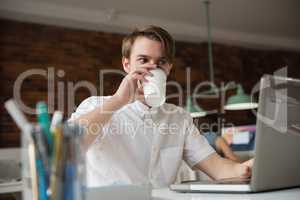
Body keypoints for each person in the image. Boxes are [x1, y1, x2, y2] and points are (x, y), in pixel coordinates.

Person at [69, 25, 253, 188]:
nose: (152, 67)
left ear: (168, 68)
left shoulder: (179, 118)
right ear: (126, 64)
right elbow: (69, 148)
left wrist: (247, 167)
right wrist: (119, 100)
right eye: (143, 60)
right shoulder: (97, 106)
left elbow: (217, 168)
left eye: (161, 62)